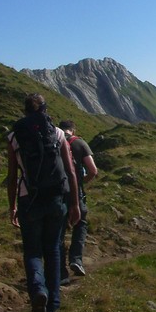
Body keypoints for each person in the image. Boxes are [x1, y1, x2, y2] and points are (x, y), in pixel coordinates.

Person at [7, 94, 80, 312]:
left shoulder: (14, 136)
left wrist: (13, 206)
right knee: (53, 249)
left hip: (29, 199)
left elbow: (12, 176)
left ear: (25, 110)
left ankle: (38, 290)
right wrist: (75, 203)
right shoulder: (57, 133)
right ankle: (53, 304)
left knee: (32, 251)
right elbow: (69, 171)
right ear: (45, 109)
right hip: (56, 199)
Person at [58, 120, 98, 283]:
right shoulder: (80, 143)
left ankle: (60, 271)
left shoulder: (54, 141)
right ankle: (76, 259)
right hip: (76, 191)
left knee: (58, 229)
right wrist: (81, 182)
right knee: (80, 223)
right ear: (73, 130)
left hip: (57, 191)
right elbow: (93, 170)